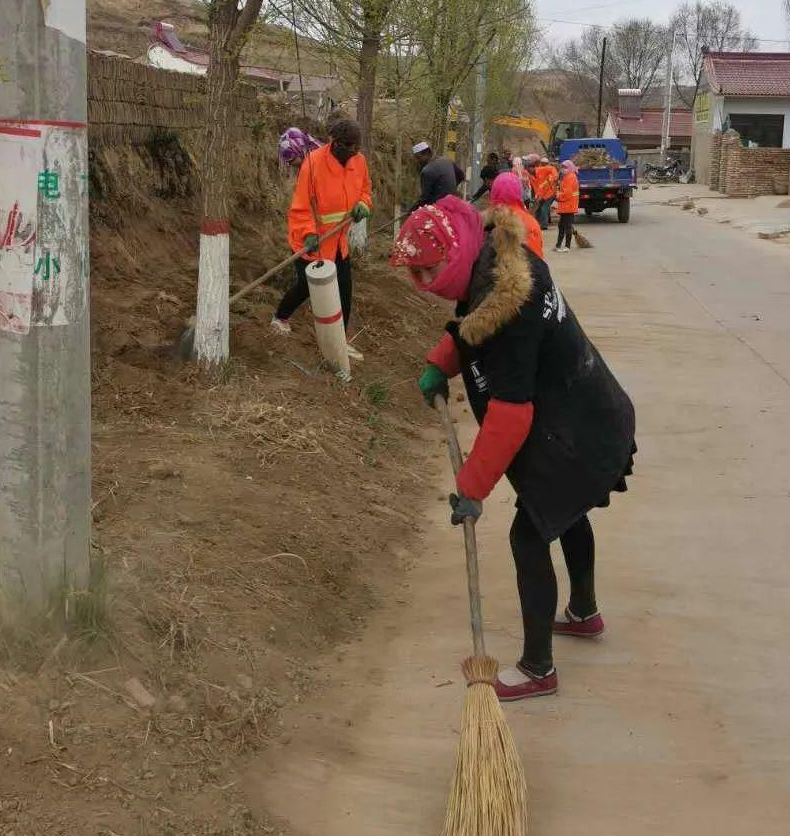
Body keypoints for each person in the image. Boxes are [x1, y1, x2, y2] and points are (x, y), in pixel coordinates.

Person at [391, 197, 635, 702]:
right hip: (588, 407)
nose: (423, 283)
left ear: (453, 254)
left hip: (579, 428)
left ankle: (538, 667)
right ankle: (585, 613)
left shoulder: (510, 307)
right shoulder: (495, 257)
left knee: (531, 536)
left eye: (427, 271)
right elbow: (470, 324)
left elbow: (510, 412)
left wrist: (471, 487)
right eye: (415, 274)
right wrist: (443, 361)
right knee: (563, 515)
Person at [272, 118, 372, 358]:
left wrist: (362, 204)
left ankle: (339, 342)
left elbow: (366, 190)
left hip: (338, 242)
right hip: (311, 241)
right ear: (334, 142)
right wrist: (308, 234)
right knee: (307, 286)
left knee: (344, 290)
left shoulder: (359, 162)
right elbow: (301, 207)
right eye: (349, 146)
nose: (354, 152)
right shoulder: (313, 164)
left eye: (357, 147)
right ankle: (279, 318)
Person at [489, 171, 544, 258]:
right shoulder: (530, 222)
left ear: (494, 191)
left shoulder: (487, 221)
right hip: (526, 270)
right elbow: (537, 258)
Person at [409, 142, 464, 211]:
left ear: (427, 153)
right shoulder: (446, 160)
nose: (418, 161)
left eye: (418, 158)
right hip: (453, 202)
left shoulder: (427, 171)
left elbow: (424, 198)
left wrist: (411, 211)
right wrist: (450, 188)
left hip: (438, 207)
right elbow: (461, 176)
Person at [554, 160, 579, 253]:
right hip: (566, 206)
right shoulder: (567, 177)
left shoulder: (570, 178)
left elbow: (567, 194)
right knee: (562, 226)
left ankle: (567, 246)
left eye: (565, 167)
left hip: (568, 206)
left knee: (566, 227)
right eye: (563, 167)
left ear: (570, 168)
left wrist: (558, 195)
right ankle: (558, 245)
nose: (563, 169)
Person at [531, 156, 559, 230]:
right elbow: (537, 188)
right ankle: (537, 224)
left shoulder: (542, 170)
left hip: (550, 193)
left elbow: (552, 169)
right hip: (542, 195)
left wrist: (555, 177)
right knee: (538, 209)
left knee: (544, 209)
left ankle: (543, 225)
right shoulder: (532, 177)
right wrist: (538, 197)